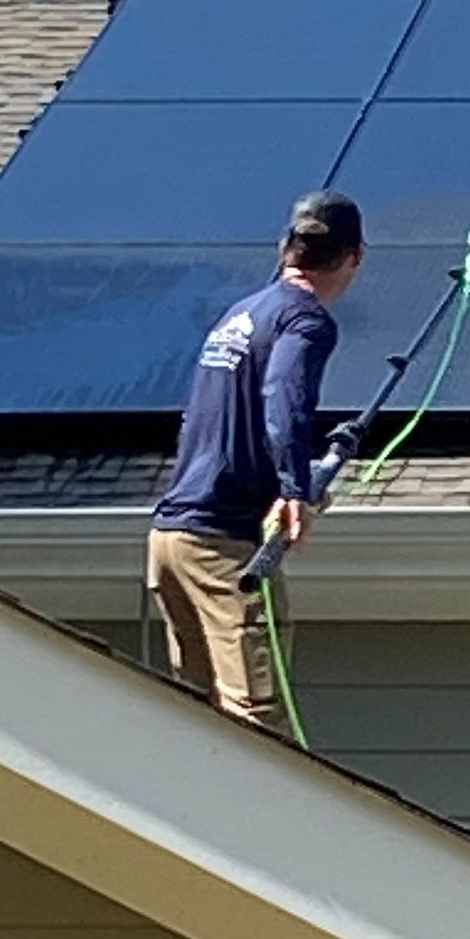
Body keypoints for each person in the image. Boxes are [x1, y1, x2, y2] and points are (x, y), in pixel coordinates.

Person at [148, 190, 365, 736]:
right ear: (354, 256)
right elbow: (283, 395)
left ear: (285, 248)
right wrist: (294, 488)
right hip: (223, 548)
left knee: (199, 721)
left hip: (171, 539)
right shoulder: (305, 321)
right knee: (258, 725)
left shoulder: (239, 314)